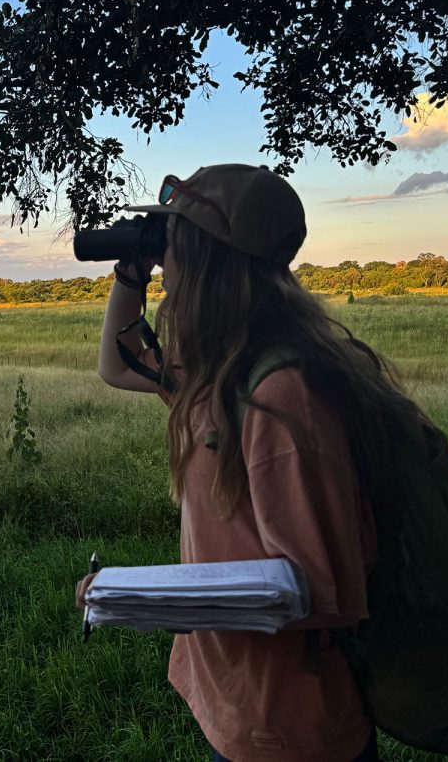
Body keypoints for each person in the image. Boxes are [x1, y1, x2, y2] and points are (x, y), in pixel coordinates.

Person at [76, 163, 387, 761]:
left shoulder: (280, 395)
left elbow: (311, 592)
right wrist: (129, 268)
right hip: (238, 703)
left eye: (173, 249)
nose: (167, 272)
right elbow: (117, 366)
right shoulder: (221, 378)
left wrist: (131, 594)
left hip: (287, 724)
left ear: (208, 261)